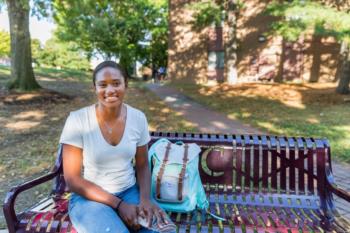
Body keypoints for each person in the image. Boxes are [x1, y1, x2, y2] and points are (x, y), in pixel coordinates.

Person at [60, 60, 169, 233]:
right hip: (89, 198)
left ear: (126, 85)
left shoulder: (138, 118)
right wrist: (119, 205)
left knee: (164, 230)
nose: (110, 90)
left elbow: (142, 165)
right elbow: (73, 181)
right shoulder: (78, 120)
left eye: (116, 84)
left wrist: (145, 200)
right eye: (102, 85)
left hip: (129, 192)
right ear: (94, 88)